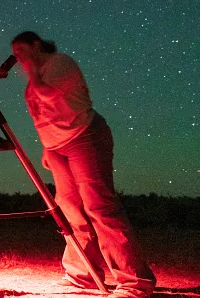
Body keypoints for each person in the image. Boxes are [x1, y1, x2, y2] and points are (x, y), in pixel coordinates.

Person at [11, 31, 156, 298]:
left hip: (84, 137)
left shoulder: (60, 63)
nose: (17, 56)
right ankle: (83, 274)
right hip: (57, 147)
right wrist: (47, 146)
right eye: (15, 52)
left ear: (36, 44)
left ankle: (135, 281)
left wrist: (32, 71)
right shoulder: (35, 78)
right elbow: (45, 115)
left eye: (21, 49)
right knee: (70, 209)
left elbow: (47, 96)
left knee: (99, 205)